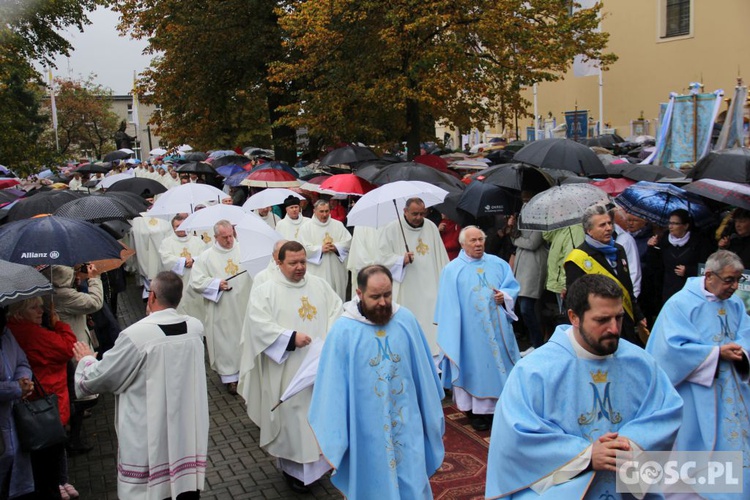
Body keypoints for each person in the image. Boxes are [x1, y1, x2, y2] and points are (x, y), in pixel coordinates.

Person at [485, 274, 683, 499]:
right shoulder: (534, 370)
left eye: (618, 318)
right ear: (574, 317)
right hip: (563, 489)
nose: (614, 329)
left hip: (626, 483)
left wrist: (626, 444)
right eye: (602, 320)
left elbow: (666, 411)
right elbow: (516, 434)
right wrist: (586, 456)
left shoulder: (640, 362)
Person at [309, 265, 445, 498]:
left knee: (412, 480)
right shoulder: (344, 331)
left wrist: (429, 416)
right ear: (359, 294)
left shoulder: (405, 320)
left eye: (387, 294)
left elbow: (424, 375)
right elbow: (332, 391)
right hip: (364, 430)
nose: (383, 303)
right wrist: (336, 436)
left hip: (406, 422)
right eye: (375, 297)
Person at [73, 271, 209, 500]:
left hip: (148, 429)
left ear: (152, 296)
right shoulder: (195, 328)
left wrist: (86, 360)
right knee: (184, 488)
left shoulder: (136, 335)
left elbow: (102, 377)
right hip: (185, 428)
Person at [240, 241, 342, 493]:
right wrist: (288, 337)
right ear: (279, 262)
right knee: (293, 418)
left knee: (316, 415)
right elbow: (257, 324)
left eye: (303, 262)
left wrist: (328, 340)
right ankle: (293, 471)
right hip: (286, 369)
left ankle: (319, 467)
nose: (299, 267)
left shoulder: (319, 284)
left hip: (319, 365)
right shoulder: (265, 291)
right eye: (293, 263)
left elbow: (337, 311)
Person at [647, 250, 750, 495]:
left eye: (738, 280)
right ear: (710, 275)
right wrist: (715, 354)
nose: (734, 286)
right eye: (729, 280)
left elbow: (746, 333)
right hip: (696, 391)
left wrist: (742, 352)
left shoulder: (735, 303)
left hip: (733, 389)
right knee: (694, 453)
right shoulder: (681, 304)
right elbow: (668, 351)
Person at [436, 226, 520, 431]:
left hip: (497, 329)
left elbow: (512, 287)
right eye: (473, 241)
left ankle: (497, 410)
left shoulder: (498, 264)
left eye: (480, 239)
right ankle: (473, 412)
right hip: (469, 333)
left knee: (500, 368)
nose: (478, 244)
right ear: (463, 244)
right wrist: (454, 332)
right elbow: (447, 304)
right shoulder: (453, 270)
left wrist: (505, 296)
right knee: (474, 369)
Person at [7, 298, 78, 500]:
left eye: (40, 306)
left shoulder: (10, 332)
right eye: (33, 307)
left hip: (28, 410)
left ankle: (59, 483)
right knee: (48, 468)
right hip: (46, 408)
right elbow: (68, 347)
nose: (40, 311)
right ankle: (58, 484)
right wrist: (59, 324)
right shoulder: (32, 333)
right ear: (19, 313)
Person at [564, 203, 646, 347]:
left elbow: (628, 288)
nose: (609, 228)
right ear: (589, 230)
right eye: (602, 225)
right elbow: (575, 301)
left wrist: (639, 316)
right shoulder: (578, 258)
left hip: (623, 322)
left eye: (609, 223)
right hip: (598, 328)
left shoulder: (619, 250)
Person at [378, 197, 449, 356]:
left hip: (430, 283)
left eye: (422, 214)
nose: (418, 218)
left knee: (431, 321)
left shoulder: (430, 226)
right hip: (406, 286)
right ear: (405, 211)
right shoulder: (392, 229)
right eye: (414, 214)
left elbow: (441, 256)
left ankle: (433, 355)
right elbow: (381, 258)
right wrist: (399, 260)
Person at [190, 220, 252, 395]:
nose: (229, 240)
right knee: (225, 342)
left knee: (244, 338)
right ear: (215, 237)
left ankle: (247, 373)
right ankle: (230, 378)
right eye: (224, 237)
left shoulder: (244, 250)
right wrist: (215, 284)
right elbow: (196, 281)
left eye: (231, 236)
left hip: (244, 303)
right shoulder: (206, 257)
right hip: (222, 308)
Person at [0, 307, 35, 500]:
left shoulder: (6, 334)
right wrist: (15, 388)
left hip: (14, 422)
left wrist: (24, 380)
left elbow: (22, 361)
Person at [648, 208, 713, 304]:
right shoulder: (664, 241)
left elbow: (705, 269)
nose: (671, 226)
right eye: (670, 223)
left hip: (690, 292)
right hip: (668, 290)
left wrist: (688, 270)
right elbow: (656, 266)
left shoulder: (699, 242)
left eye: (675, 223)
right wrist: (651, 248)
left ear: (685, 226)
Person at [297, 200, 352, 300]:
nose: (325, 214)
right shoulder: (306, 228)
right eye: (321, 211)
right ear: (314, 211)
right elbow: (302, 248)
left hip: (335, 268)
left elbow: (348, 242)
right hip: (317, 270)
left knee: (336, 297)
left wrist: (336, 247)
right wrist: (320, 249)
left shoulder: (338, 225)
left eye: (327, 211)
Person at [158, 213, 206, 318]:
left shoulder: (197, 241)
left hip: (195, 280)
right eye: (177, 226)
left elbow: (205, 256)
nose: (180, 228)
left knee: (197, 309)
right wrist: (183, 261)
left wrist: (193, 260)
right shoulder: (166, 243)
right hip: (176, 282)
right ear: (173, 228)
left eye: (183, 226)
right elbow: (165, 259)